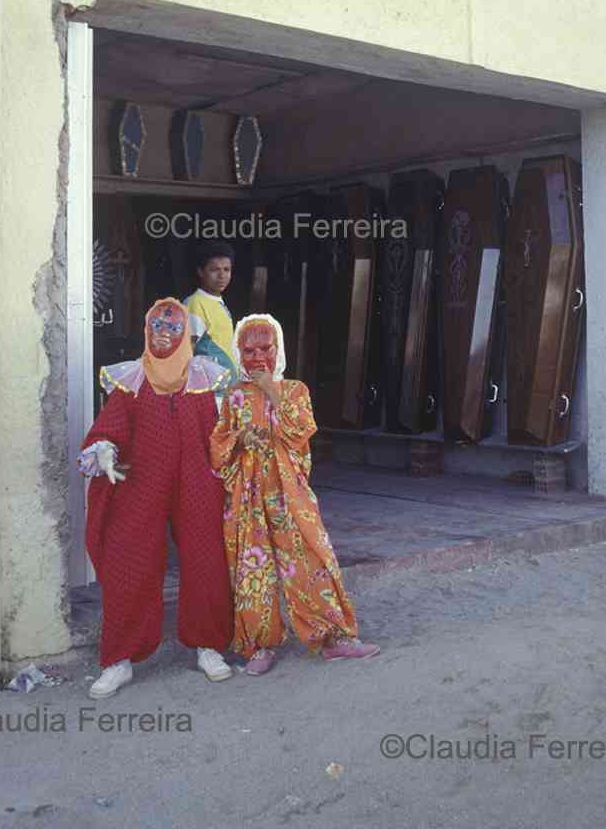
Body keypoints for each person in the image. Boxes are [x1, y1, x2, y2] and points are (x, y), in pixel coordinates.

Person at [78, 298, 234, 698]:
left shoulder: (205, 378)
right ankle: (119, 659)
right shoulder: (131, 380)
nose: (164, 334)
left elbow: (221, 434)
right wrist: (105, 451)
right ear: (146, 332)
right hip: (140, 480)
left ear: (187, 334)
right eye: (156, 327)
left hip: (196, 479)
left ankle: (208, 646)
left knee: (206, 557)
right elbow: (106, 430)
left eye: (173, 327)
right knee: (128, 558)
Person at [210, 313, 380, 675]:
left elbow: (301, 429)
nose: (257, 358)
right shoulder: (234, 397)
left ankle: (335, 638)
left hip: (290, 495)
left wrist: (272, 389)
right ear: (238, 352)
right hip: (249, 497)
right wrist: (241, 438)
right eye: (249, 349)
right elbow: (218, 445)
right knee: (252, 570)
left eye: (265, 349)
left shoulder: (295, 390)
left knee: (312, 560)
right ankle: (260, 645)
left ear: (279, 349)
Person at [184, 242, 239, 394]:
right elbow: (186, 350)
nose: (222, 276)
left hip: (226, 392)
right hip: (209, 394)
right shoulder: (195, 303)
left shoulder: (218, 302)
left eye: (226, 269)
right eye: (214, 270)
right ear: (201, 272)